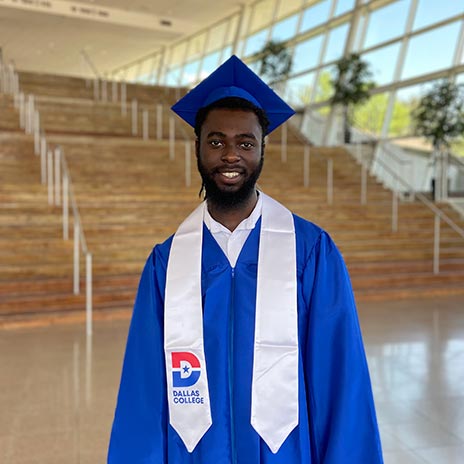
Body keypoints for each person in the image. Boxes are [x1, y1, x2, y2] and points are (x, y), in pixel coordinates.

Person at [108, 55, 383, 464]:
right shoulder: (167, 262)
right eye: (216, 141)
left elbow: (341, 383)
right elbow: (144, 392)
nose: (231, 155)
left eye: (245, 143)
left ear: (262, 149)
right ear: (198, 147)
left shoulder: (310, 252)